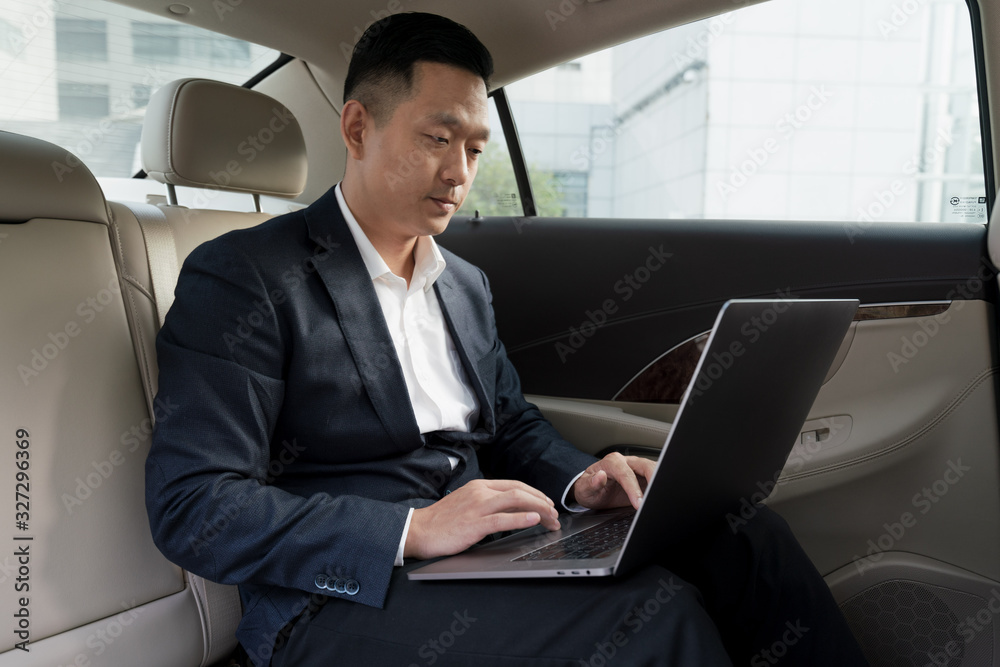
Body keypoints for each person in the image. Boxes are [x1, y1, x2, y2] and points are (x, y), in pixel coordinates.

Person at [145, 12, 870, 667]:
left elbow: (511, 424)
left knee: (747, 538)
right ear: (358, 129)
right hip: (339, 597)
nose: (459, 172)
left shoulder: (464, 284)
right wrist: (412, 528)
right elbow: (196, 506)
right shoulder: (245, 278)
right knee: (653, 619)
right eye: (437, 139)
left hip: (488, 548)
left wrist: (580, 480)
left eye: (474, 147)